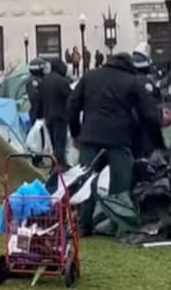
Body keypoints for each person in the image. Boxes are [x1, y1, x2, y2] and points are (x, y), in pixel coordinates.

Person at [66, 50, 160, 235]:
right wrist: (154, 141)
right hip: (119, 139)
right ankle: (118, 224)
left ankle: (84, 225)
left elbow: (72, 106)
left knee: (86, 182)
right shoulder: (132, 81)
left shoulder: (89, 77)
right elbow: (148, 114)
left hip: (91, 137)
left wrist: (76, 133)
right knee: (120, 184)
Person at [30, 58, 72, 168]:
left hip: (47, 117)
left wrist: (39, 116)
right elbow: (71, 99)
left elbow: (39, 100)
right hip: (61, 116)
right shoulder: (63, 82)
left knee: (53, 142)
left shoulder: (44, 81)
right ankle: (60, 165)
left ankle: (55, 164)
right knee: (60, 143)